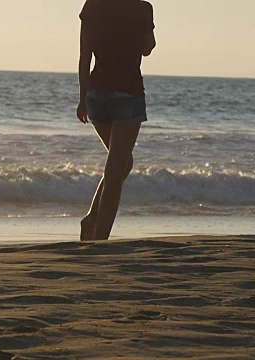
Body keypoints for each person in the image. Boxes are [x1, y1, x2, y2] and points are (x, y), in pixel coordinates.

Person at [76, 0, 156, 241]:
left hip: (96, 93)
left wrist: (82, 99)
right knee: (115, 170)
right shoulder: (142, 8)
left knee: (122, 163)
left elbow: (84, 56)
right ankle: (100, 238)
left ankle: (92, 216)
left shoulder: (93, 6)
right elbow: (148, 48)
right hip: (127, 94)